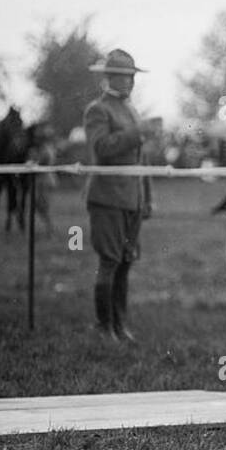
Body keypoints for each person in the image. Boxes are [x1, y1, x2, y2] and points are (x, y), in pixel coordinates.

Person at [83, 48, 155, 343]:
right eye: (124, 77)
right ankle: (104, 327)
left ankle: (120, 326)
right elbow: (101, 148)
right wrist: (138, 132)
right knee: (110, 263)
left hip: (131, 199)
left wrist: (146, 197)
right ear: (108, 77)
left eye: (132, 77)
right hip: (107, 198)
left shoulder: (130, 109)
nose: (130, 83)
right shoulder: (97, 110)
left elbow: (141, 160)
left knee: (125, 263)